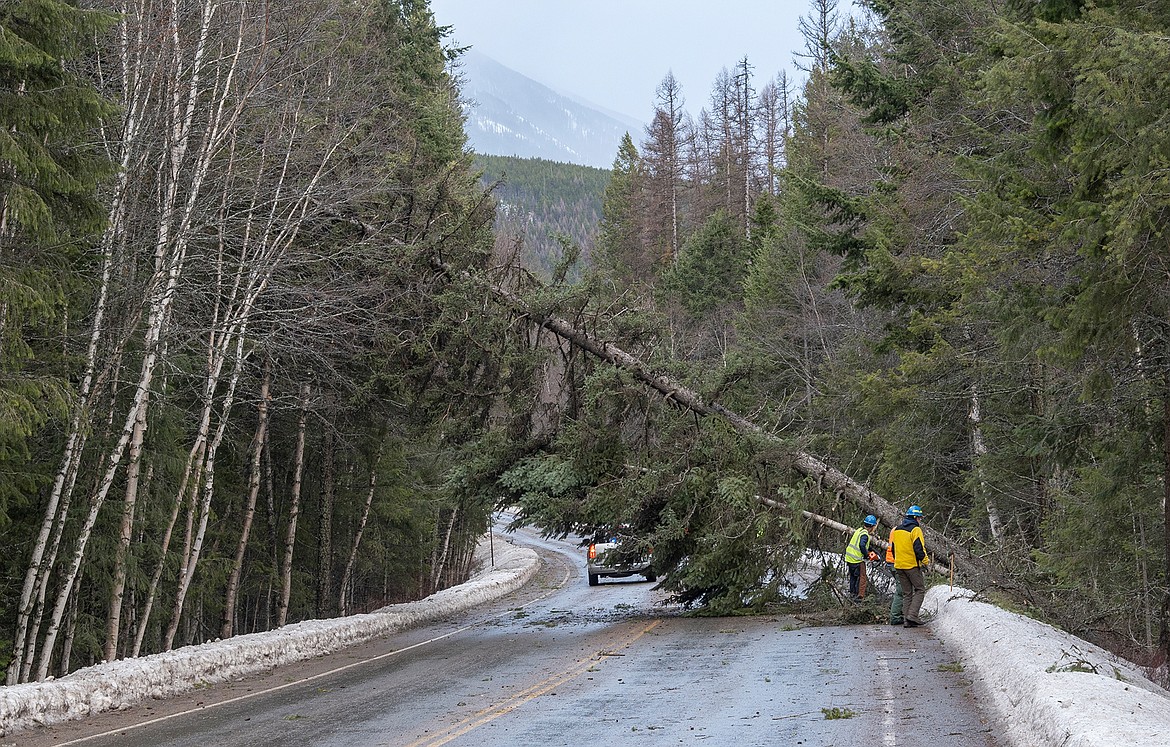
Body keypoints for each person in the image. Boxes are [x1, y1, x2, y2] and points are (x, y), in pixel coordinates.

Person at [890, 505, 930, 627]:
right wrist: (925, 561)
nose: (920, 520)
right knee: (920, 590)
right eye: (919, 518)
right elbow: (918, 548)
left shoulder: (897, 530)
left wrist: (898, 560)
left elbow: (893, 549)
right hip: (911, 565)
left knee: (907, 593)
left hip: (899, 565)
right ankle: (912, 615)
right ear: (915, 517)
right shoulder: (915, 530)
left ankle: (907, 620)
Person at [844, 514, 879, 601]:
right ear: (872, 526)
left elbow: (864, 544)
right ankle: (859, 597)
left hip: (849, 559)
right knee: (862, 578)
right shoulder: (865, 535)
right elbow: (862, 545)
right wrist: (867, 555)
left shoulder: (859, 530)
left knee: (853, 578)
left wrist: (873, 551)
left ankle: (852, 594)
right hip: (857, 560)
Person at [885, 527, 903, 625]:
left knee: (902, 590)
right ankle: (895, 617)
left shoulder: (894, 529)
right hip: (895, 562)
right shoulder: (901, 530)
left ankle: (899, 614)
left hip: (891, 562)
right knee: (901, 591)